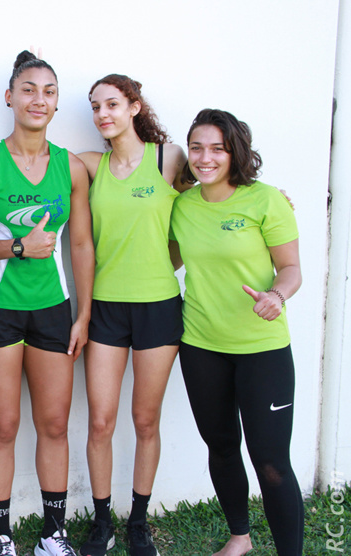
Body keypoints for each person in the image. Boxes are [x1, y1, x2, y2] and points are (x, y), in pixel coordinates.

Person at [0, 51, 93, 556]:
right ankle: (1, 538)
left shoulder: (71, 167)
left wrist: (83, 313)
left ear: (57, 103)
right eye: (29, 89)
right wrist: (16, 247)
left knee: (54, 424)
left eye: (49, 91)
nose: (39, 99)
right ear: (10, 97)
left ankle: (54, 536)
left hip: (53, 308)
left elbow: (80, 243)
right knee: (5, 426)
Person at [169, 109, 303, 556]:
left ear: (235, 152)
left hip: (261, 347)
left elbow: (291, 269)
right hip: (201, 344)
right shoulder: (182, 205)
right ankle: (240, 537)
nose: (205, 158)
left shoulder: (266, 200)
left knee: (270, 460)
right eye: (197, 147)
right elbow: (166, 259)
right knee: (222, 446)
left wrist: (276, 296)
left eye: (217, 148)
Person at [73, 75, 188, 556]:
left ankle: (138, 521)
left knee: (145, 420)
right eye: (96, 106)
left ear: (135, 107)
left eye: (113, 104)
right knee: (100, 422)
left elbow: (207, 201)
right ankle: (103, 521)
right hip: (105, 309)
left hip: (159, 306)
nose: (103, 113)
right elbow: (34, 164)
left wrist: (270, 198)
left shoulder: (170, 158)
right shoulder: (90, 165)